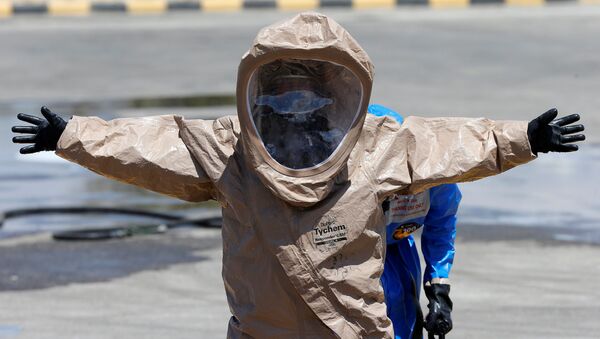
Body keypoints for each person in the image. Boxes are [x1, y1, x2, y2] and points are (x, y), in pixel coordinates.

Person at [11, 12, 584, 339]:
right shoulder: (230, 149)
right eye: (280, 90)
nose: (294, 106)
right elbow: (152, 144)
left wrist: (525, 138)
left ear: (341, 93)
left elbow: (454, 144)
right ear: (257, 88)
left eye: (309, 92)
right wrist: (71, 136)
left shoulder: (379, 144)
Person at [370, 104, 459, 339]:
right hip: (348, 256)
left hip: (398, 253)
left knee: (403, 322)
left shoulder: (435, 177)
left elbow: (441, 228)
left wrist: (439, 290)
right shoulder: (344, 173)